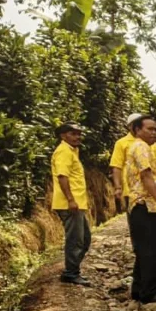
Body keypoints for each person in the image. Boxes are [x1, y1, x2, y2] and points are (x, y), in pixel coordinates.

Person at [125, 115, 156, 303]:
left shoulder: (140, 147)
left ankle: (138, 288)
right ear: (136, 130)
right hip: (145, 205)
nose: (154, 133)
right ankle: (149, 291)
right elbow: (146, 176)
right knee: (152, 249)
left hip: (139, 205)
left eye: (155, 129)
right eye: (149, 129)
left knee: (143, 249)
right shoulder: (141, 147)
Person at [51, 121, 91, 286]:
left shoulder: (72, 151)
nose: (77, 137)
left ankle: (72, 270)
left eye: (79, 133)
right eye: (73, 133)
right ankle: (71, 273)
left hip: (76, 203)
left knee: (84, 239)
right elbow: (62, 177)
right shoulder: (64, 152)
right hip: (69, 204)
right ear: (63, 135)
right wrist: (70, 200)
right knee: (75, 240)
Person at [112, 113, 156, 210]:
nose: (153, 132)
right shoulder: (122, 143)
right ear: (131, 127)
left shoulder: (151, 143)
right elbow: (117, 166)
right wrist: (118, 187)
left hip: (154, 189)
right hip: (134, 190)